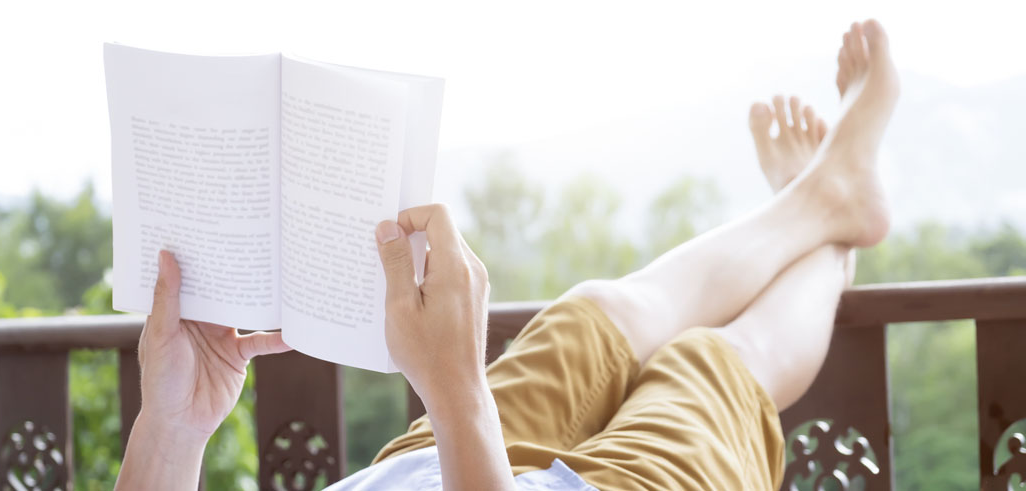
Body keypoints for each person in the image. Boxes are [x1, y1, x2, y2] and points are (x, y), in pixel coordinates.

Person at [115, 18, 898, 490]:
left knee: (600, 314)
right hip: (490, 452)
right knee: (718, 363)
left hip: (426, 472)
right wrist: (454, 386)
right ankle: (831, 227)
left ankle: (811, 203)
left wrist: (172, 425)